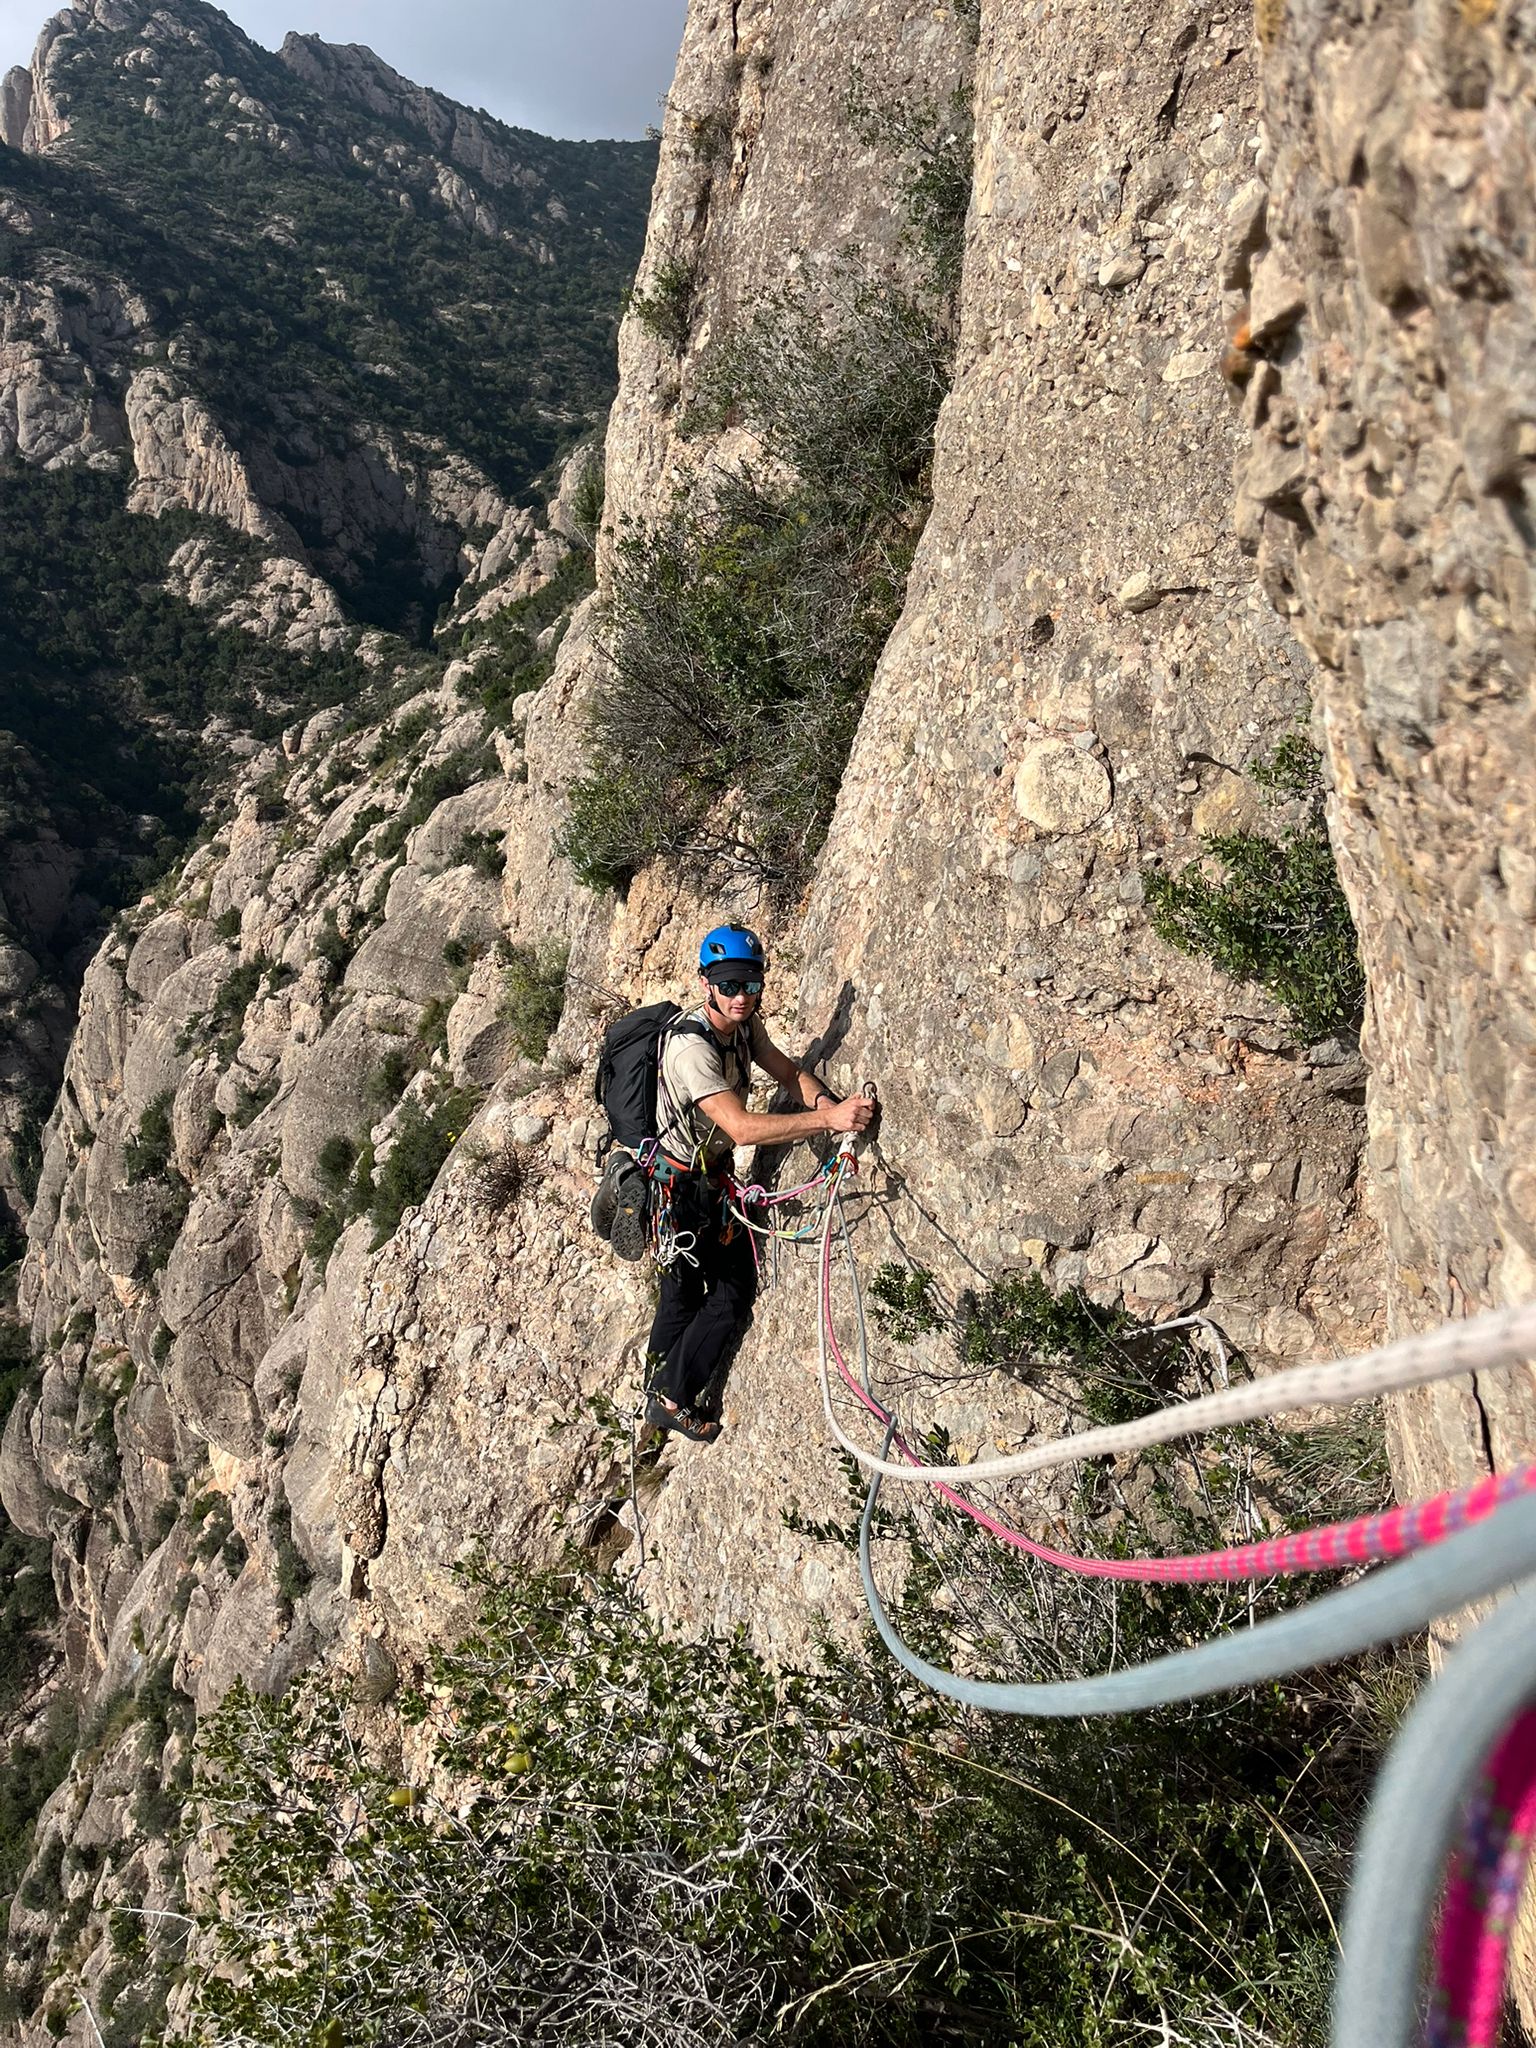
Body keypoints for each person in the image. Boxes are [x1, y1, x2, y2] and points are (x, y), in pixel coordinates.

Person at [643, 923, 875, 1443]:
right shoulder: (691, 1050)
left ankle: (654, 1382)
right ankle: (671, 1398)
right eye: (728, 984)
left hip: (702, 1177)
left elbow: (788, 1072)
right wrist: (828, 1122)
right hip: (683, 1190)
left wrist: (824, 1103)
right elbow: (742, 1126)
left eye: (751, 983)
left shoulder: (744, 1026)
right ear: (706, 983)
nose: (742, 996)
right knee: (730, 1292)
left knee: (680, 1293)